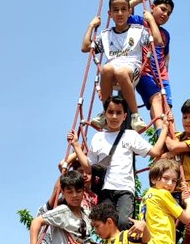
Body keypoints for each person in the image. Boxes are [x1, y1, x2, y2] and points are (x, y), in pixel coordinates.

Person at [67, 95, 170, 230]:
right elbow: (88, 167)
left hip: (125, 189)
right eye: (110, 112)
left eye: (118, 112)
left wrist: (165, 128)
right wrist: (75, 145)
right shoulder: (98, 137)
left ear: (125, 116)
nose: (114, 116)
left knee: (123, 223)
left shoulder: (130, 135)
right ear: (105, 114)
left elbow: (155, 151)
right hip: (105, 189)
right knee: (105, 226)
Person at [82, 0, 164, 132]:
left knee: (121, 71)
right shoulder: (106, 35)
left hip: (132, 70)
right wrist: (91, 26)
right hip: (112, 73)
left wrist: (151, 20)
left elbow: (157, 41)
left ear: (129, 11)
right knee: (106, 68)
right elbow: (85, 47)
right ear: (110, 14)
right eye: (115, 10)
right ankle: (105, 112)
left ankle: (135, 116)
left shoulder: (137, 31)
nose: (119, 13)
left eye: (123, 9)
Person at [129, 0, 174, 131]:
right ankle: (161, 134)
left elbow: (165, 55)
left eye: (169, 13)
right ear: (152, 7)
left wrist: (166, 74)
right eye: (163, 9)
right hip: (144, 73)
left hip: (161, 75)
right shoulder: (140, 22)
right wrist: (136, 0)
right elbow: (121, 13)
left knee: (167, 107)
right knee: (156, 98)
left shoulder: (165, 34)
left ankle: (173, 136)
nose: (165, 14)